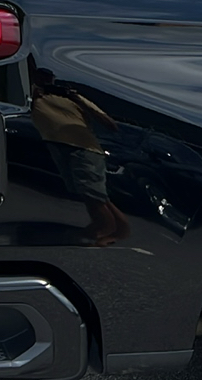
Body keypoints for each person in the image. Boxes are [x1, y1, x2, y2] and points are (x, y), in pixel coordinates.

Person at [30, 68, 131, 246]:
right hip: (57, 145)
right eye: (41, 76)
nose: (45, 80)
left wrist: (75, 97)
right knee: (93, 192)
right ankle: (120, 230)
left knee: (91, 192)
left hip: (83, 147)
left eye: (49, 77)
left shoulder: (71, 97)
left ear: (54, 79)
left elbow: (110, 124)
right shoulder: (32, 94)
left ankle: (103, 229)